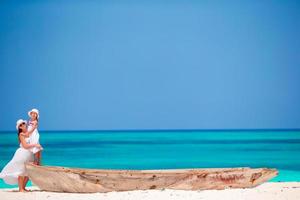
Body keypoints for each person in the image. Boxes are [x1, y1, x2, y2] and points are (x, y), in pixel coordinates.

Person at [0, 119, 41, 192]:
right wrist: (35, 145)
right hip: (22, 154)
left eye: (23, 123)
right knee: (21, 171)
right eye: (20, 125)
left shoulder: (28, 133)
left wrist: (34, 126)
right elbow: (25, 146)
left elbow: (32, 132)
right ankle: (20, 189)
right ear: (20, 128)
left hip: (29, 154)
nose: (22, 125)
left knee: (28, 172)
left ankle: (23, 187)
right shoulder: (21, 134)